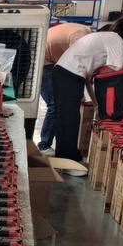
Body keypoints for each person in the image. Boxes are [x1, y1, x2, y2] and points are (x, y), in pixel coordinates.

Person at [53, 17, 123, 161]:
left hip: (63, 73)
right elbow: (117, 69)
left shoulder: (102, 38)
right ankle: (68, 159)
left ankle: (64, 157)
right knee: (70, 119)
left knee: (65, 117)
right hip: (70, 75)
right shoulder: (116, 39)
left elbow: (88, 81)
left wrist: (97, 105)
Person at [38, 22, 91, 151]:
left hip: (53, 60)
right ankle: (44, 144)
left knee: (62, 103)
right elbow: (78, 67)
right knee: (54, 104)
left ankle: (58, 142)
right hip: (43, 61)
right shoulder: (80, 37)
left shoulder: (87, 33)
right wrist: (81, 94)